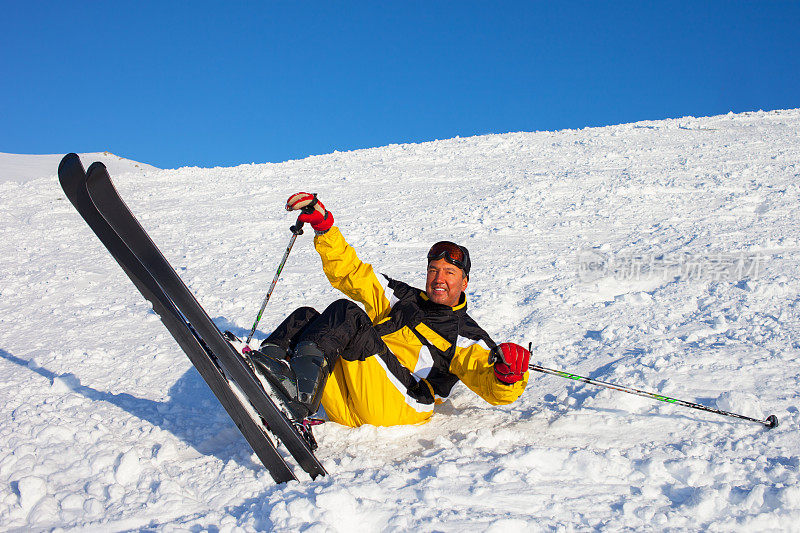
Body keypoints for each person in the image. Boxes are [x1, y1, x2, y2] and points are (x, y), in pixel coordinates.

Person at [249, 192, 531, 428]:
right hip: (355, 394)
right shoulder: (404, 298)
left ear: (464, 282)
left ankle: (297, 396)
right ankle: (263, 373)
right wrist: (324, 228)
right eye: (433, 270)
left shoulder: (466, 335)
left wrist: (509, 375)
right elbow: (353, 273)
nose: (439, 279)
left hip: (401, 404)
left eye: (450, 273)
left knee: (346, 313)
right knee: (307, 317)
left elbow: (489, 379)